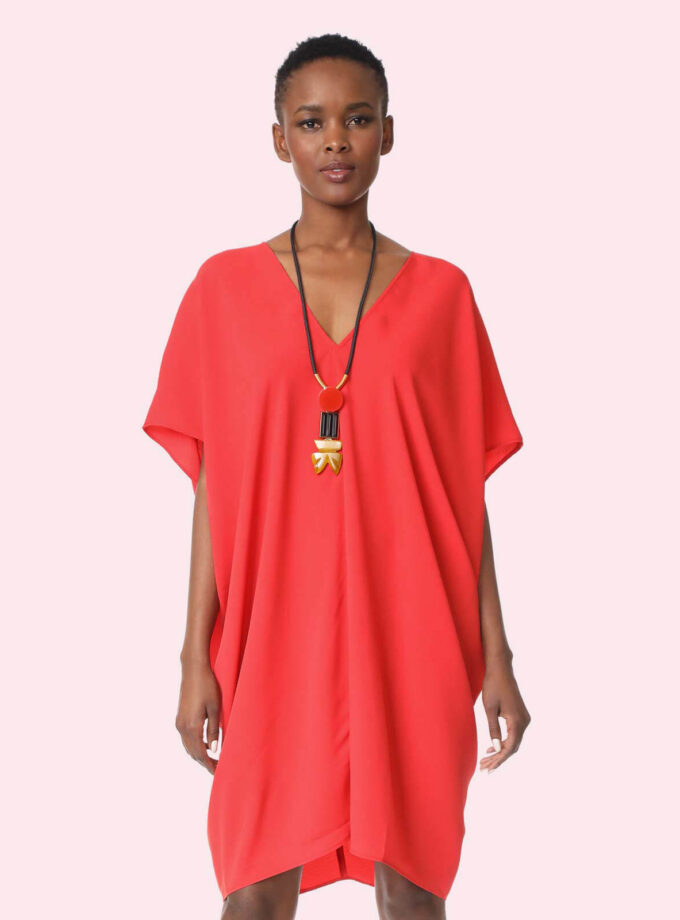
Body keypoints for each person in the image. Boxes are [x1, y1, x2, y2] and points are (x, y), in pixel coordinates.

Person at [142, 32, 531, 920]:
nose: (335, 142)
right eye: (311, 122)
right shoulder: (223, 290)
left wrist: (498, 657)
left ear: (388, 133)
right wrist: (195, 657)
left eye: (357, 119)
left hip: (414, 627)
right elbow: (211, 490)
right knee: (253, 889)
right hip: (271, 632)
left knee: (414, 891)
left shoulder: (443, 294)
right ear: (279, 138)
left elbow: (462, 496)